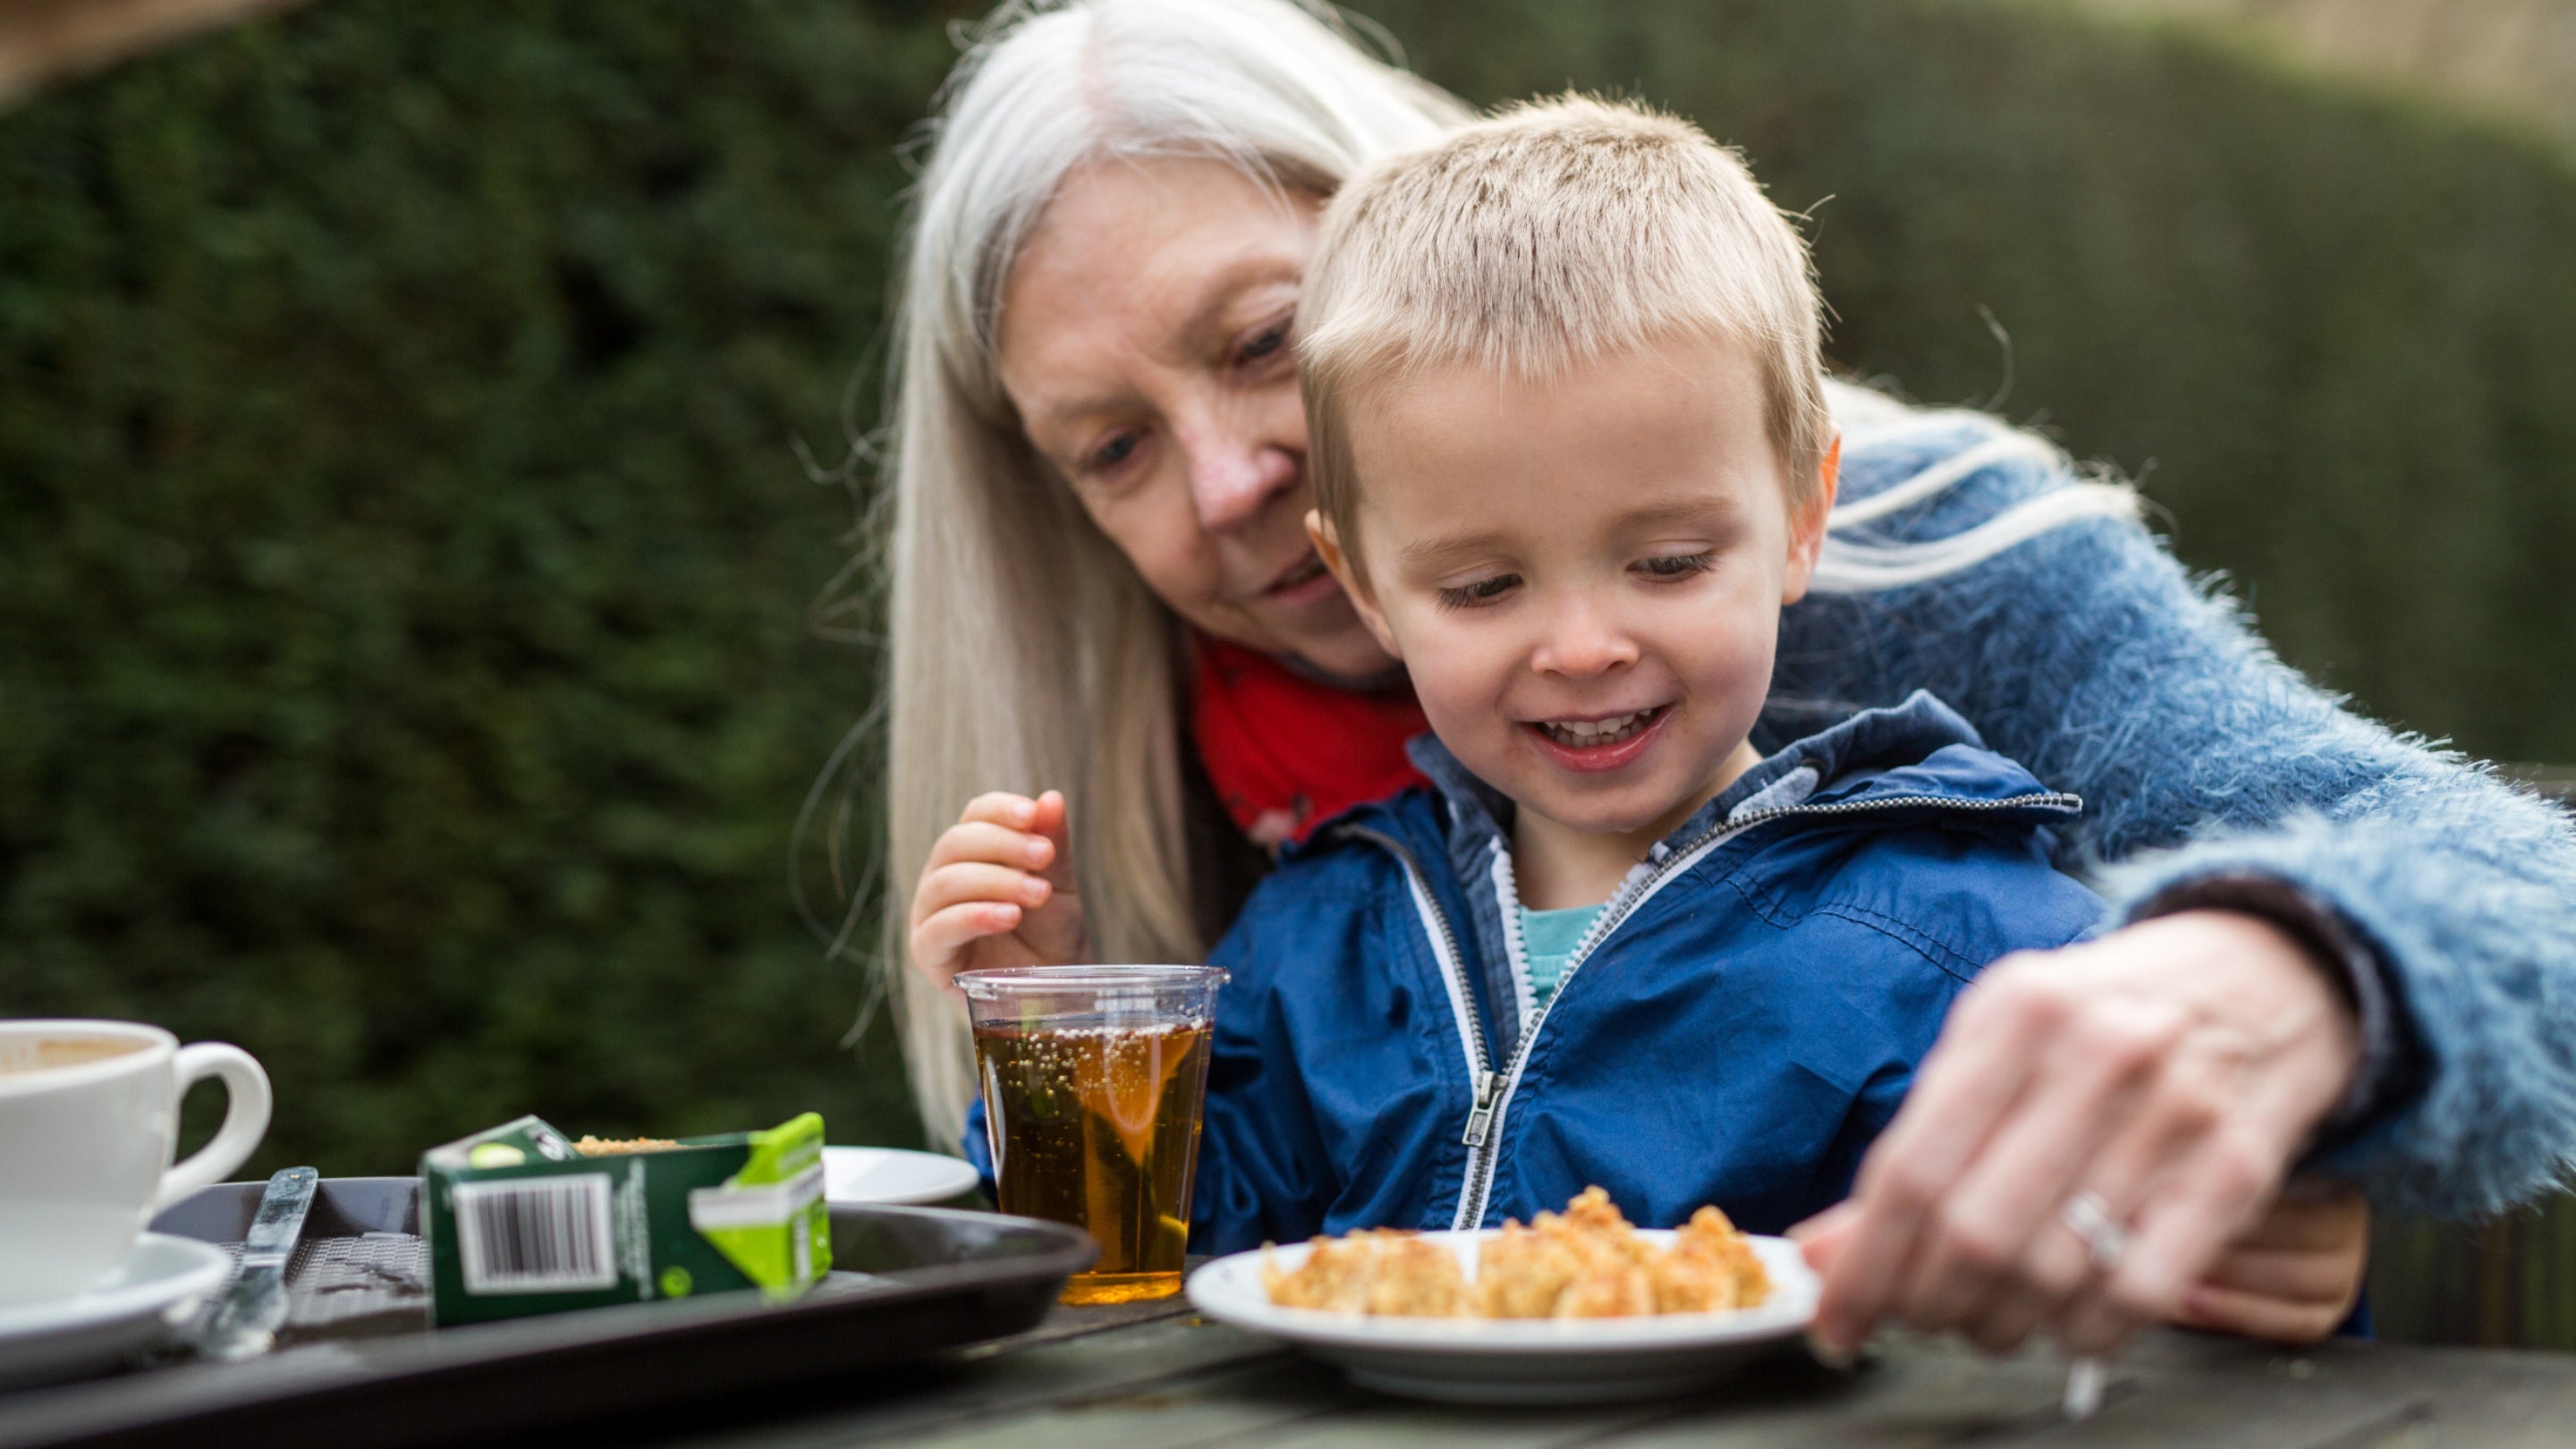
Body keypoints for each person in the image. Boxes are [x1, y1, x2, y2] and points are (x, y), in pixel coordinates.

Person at [880, 0, 2576, 1353]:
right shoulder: (1305, 888)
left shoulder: (1956, 683)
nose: (1223, 481)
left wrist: (2268, 1014)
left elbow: (2499, 888)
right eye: (1111, 445)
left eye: (1258, 341)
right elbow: (1173, 1222)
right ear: (1360, 561)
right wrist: (1068, 1033)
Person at [1186, 94, 2109, 1255]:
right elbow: (1172, 1254)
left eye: (1667, 564)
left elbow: (2151, 1283)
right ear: (1363, 582)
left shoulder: (1966, 954)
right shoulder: (1317, 943)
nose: (1581, 648)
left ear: (1803, 515)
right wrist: (1049, 1046)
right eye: (1482, 589)